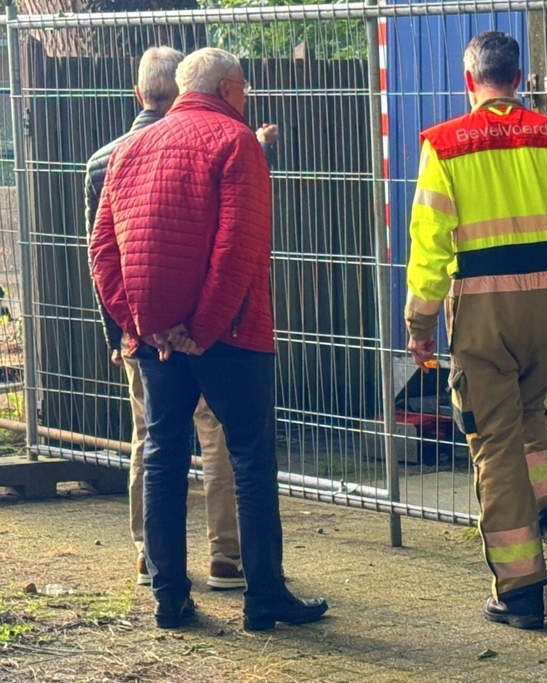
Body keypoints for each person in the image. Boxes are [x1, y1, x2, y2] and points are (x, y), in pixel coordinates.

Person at [89, 47, 327, 631]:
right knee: (249, 456)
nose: (246, 99)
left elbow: (101, 250)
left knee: (163, 456)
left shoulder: (130, 148)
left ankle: (169, 598)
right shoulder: (236, 140)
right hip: (230, 334)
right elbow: (238, 249)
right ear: (227, 89)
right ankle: (263, 596)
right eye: (243, 89)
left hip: (157, 341)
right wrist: (203, 329)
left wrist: (141, 326)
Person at [405, 32, 547, 630]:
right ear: (519, 79)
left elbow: (429, 243)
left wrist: (419, 322)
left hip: (483, 312)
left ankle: (518, 591)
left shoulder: (443, 145)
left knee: (492, 443)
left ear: (471, 81)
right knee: (526, 413)